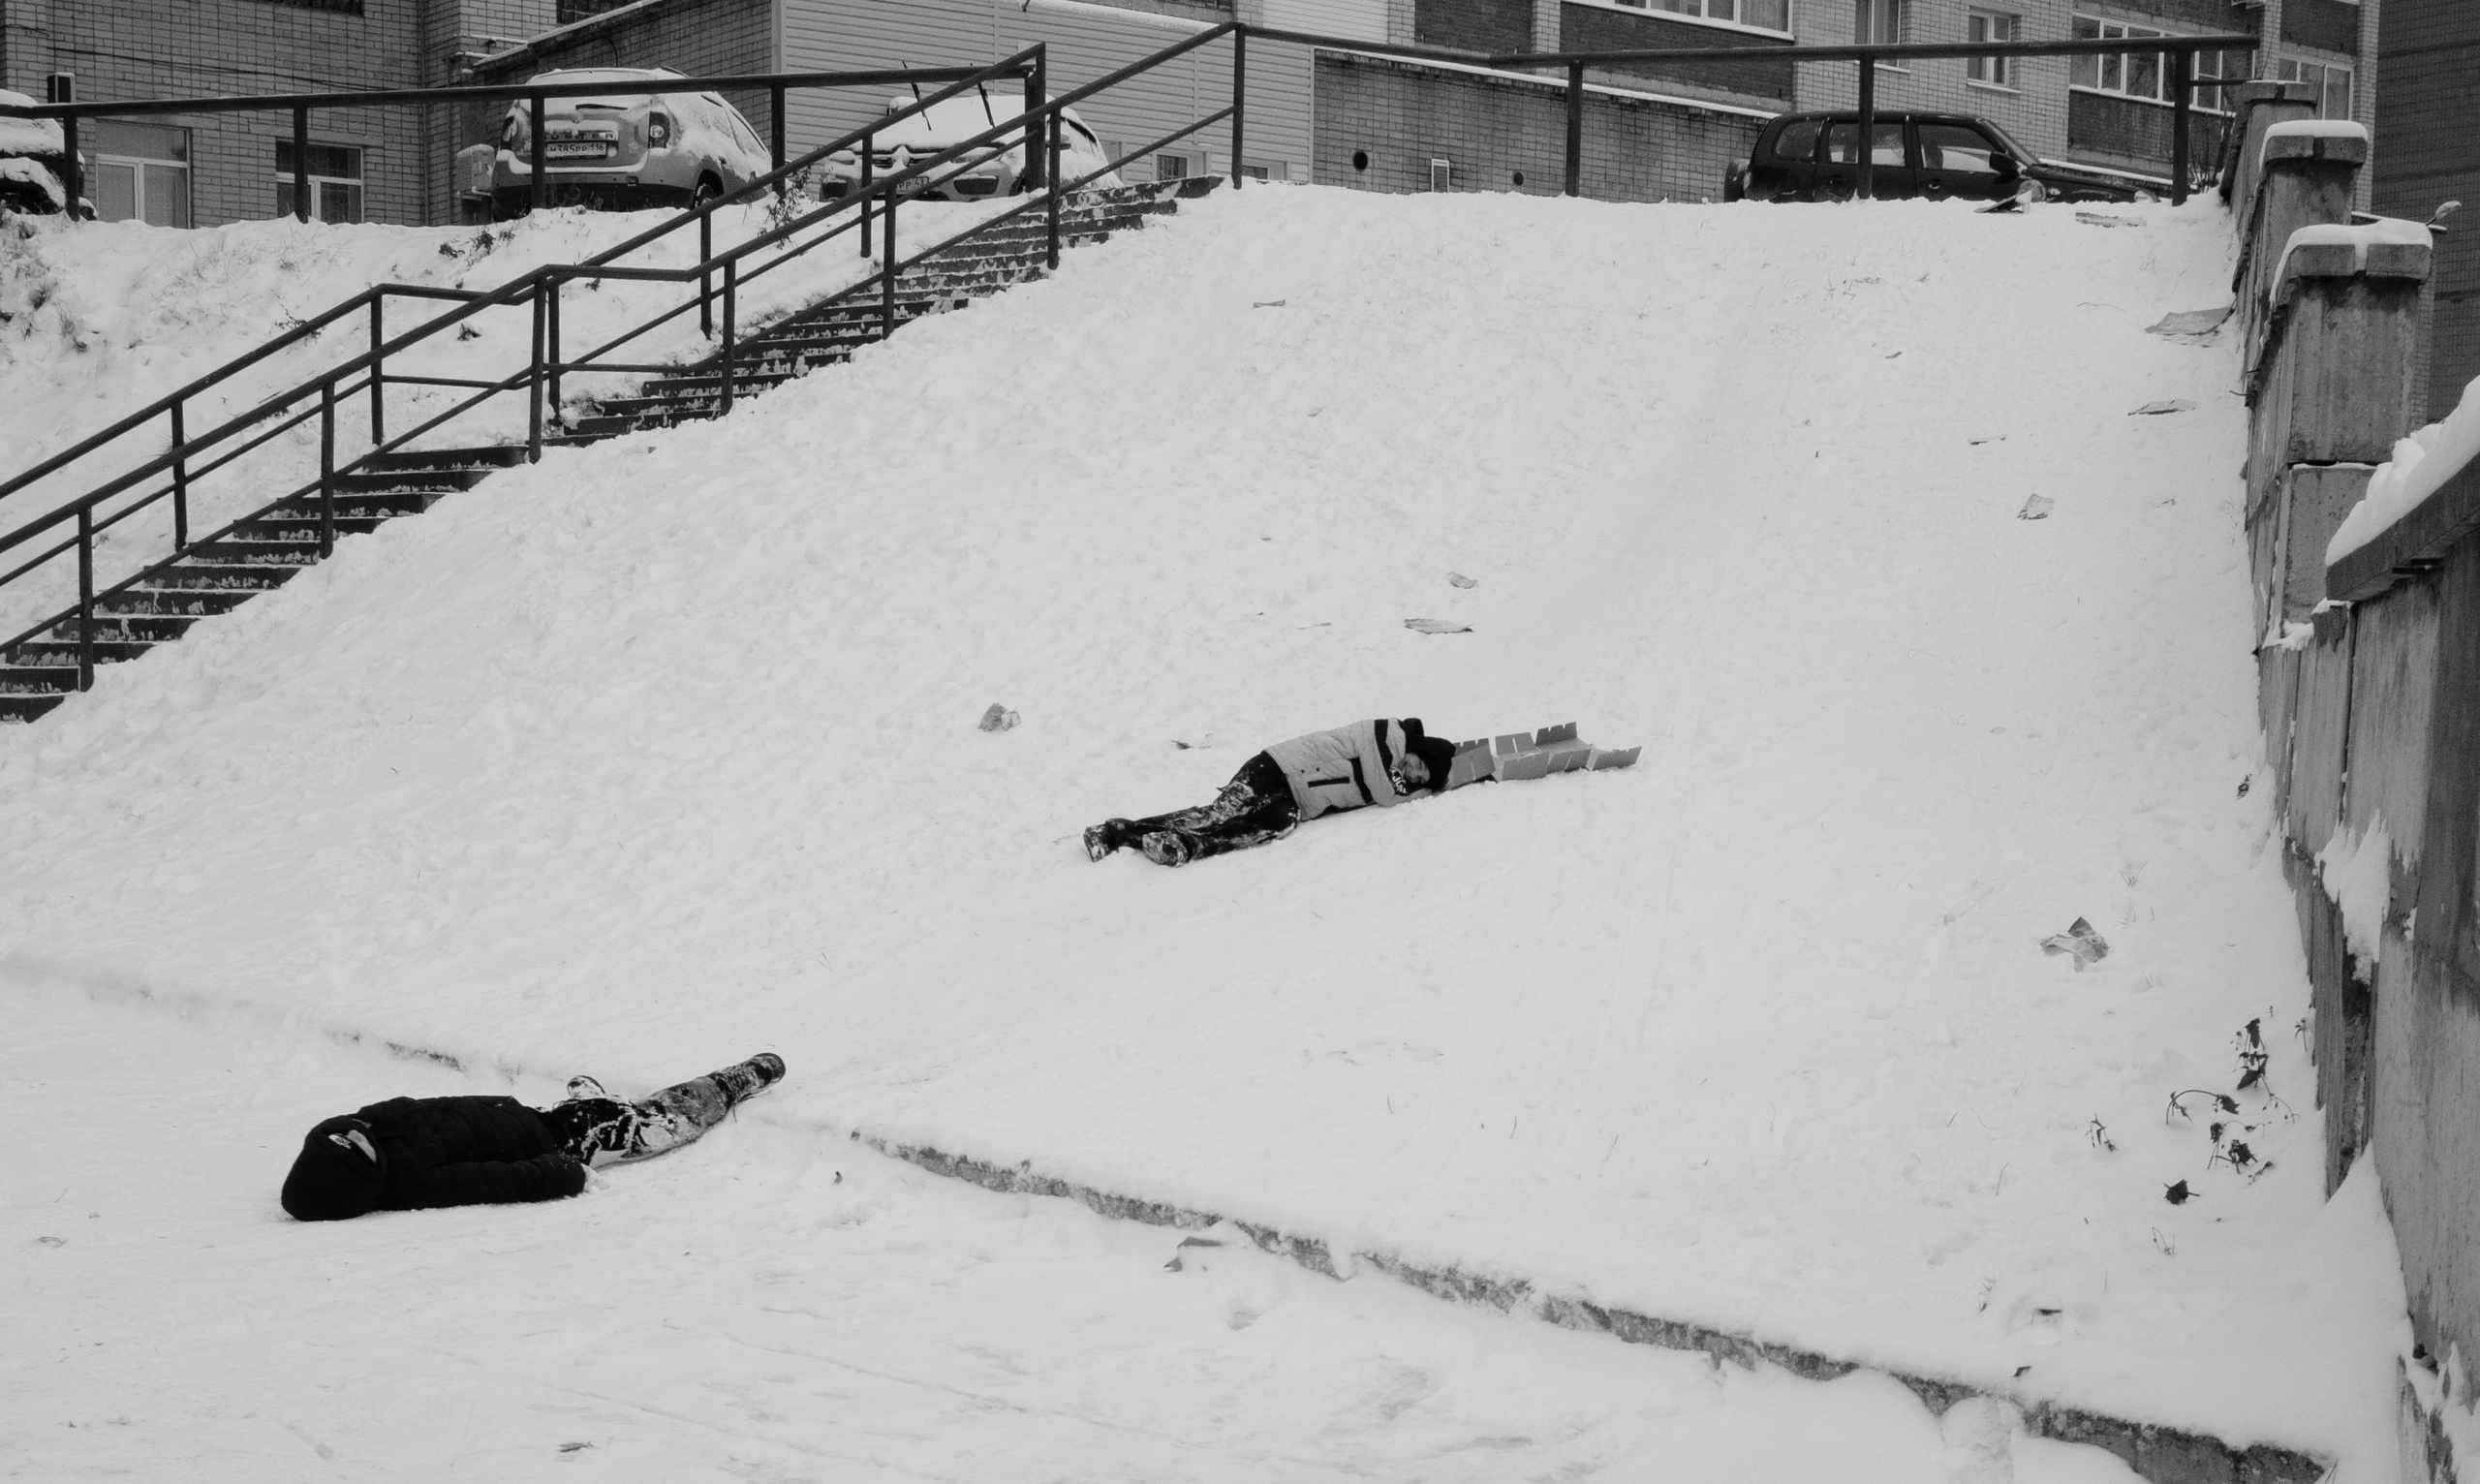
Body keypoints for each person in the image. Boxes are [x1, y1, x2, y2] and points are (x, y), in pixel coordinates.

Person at [279, 1052, 785, 1221]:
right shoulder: (416, 1184)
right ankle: (731, 1083)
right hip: (554, 1144)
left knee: (592, 1113)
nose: (351, 1135)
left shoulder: (367, 1124)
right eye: (352, 1153)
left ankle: (585, 1102)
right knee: (653, 1127)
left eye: (339, 1138)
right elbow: (493, 1181)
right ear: (359, 1184)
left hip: (525, 1118)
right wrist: (561, 1174)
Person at [1085, 717, 1459, 867]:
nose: (1416, 773)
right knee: (1217, 814)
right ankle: (1116, 831)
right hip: (1275, 768)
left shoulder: (1393, 774)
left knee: (1277, 824)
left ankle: (1182, 846)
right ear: (1418, 747)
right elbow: (1383, 792)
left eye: (1423, 777)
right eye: (1421, 763)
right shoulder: (1385, 733)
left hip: (1294, 798)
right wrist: (1420, 794)